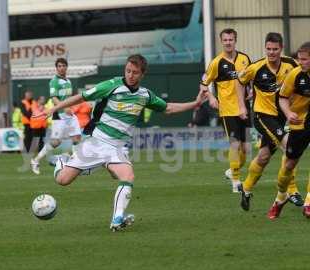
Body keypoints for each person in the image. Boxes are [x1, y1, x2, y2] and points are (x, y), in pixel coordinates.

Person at [44, 54, 206, 232]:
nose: (130, 75)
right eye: (128, 70)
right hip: (96, 141)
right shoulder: (112, 85)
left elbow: (168, 108)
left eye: (135, 72)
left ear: (142, 74)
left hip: (118, 147)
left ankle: (117, 219)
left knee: (127, 176)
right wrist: (55, 108)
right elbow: (81, 97)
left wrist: (196, 103)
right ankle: (61, 162)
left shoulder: (145, 95)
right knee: (63, 180)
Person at [237, 32, 301, 211]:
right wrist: (242, 106)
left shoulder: (291, 64)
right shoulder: (256, 67)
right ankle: (292, 190)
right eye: (268, 49)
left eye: (275, 49)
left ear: (281, 49)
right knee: (290, 147)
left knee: (264, 156)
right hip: (262, 116)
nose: (271, 52)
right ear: (265, 48)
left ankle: (247, 188)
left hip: (281, 117)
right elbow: (239, 81)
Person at [199, 28, 251, 193]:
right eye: (225, 40)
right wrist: (212, 98)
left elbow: (250, 79)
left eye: (231, 39)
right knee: (234, 144)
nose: (228, 42)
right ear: (221, 42)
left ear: (235, 40)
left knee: (246, 149)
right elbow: (204, 83)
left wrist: (251, 92)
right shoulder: (216, 62)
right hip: (227, 110)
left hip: (244, 108)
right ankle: (236, 181)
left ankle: (231, 171)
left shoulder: (244, 59)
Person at [267, 42, 310, 219]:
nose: (301, 62)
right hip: (298, 123)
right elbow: (283, 98)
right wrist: (288, 112)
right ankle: (280, 197)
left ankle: (308, 202)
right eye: (299, 59)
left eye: (305, 59)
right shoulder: (294, 75)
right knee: (289, 165)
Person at [31, 58, 81, 175]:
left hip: (69, 114)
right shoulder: (54, 81)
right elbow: (54, 98)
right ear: (56, 68)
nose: (62, 67)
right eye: (59, 66)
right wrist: (64, 106)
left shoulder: (68, 81)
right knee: (56, 142)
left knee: (76, 139)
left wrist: (70, 106)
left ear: (66, 67)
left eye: (64, 65)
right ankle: (35, 160)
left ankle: (75, 164)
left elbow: (68, 98)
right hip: (60, 114)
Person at [29, 96, 47, 162]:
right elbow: (35, 112)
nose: (44, 100)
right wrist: (41, 109)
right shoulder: (34, 105)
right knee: (35, 141)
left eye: (44, 99)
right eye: (42, 99)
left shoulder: (45, 106)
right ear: (38, 100)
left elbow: (46, 114)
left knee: (41, 142)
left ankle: (40, 155)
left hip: (42, 126)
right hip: (35, 126)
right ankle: (31, 155)